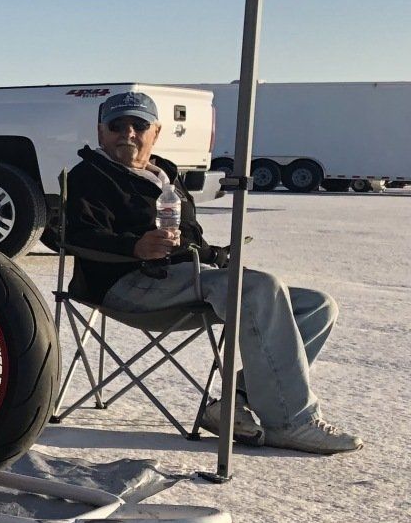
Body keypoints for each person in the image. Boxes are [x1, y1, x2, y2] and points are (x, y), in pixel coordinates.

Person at [62, 91, 361, 454]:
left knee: (316, 305)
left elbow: (189, 238)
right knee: (259, 289)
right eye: (116, 125)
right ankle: (290, 422)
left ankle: (232, 406)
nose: (127, 133)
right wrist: (134, 247)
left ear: (155, 132)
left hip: (188, 277)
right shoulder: (89, 174)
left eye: (138, 125)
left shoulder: (166, 174)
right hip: (128, 284)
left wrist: (217, 259)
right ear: (100, 132)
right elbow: (74, 235)